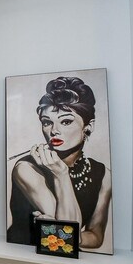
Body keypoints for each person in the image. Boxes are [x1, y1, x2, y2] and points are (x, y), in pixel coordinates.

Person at [8, 76, 112, 249]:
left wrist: (74, 236)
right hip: (22, 255)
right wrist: (61, 175)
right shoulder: (26, 169)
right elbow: (67, 229)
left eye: (66, 121)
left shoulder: (103, 174)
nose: (54, 131)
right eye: (47, 122)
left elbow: (95, 236)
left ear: (89, 126)